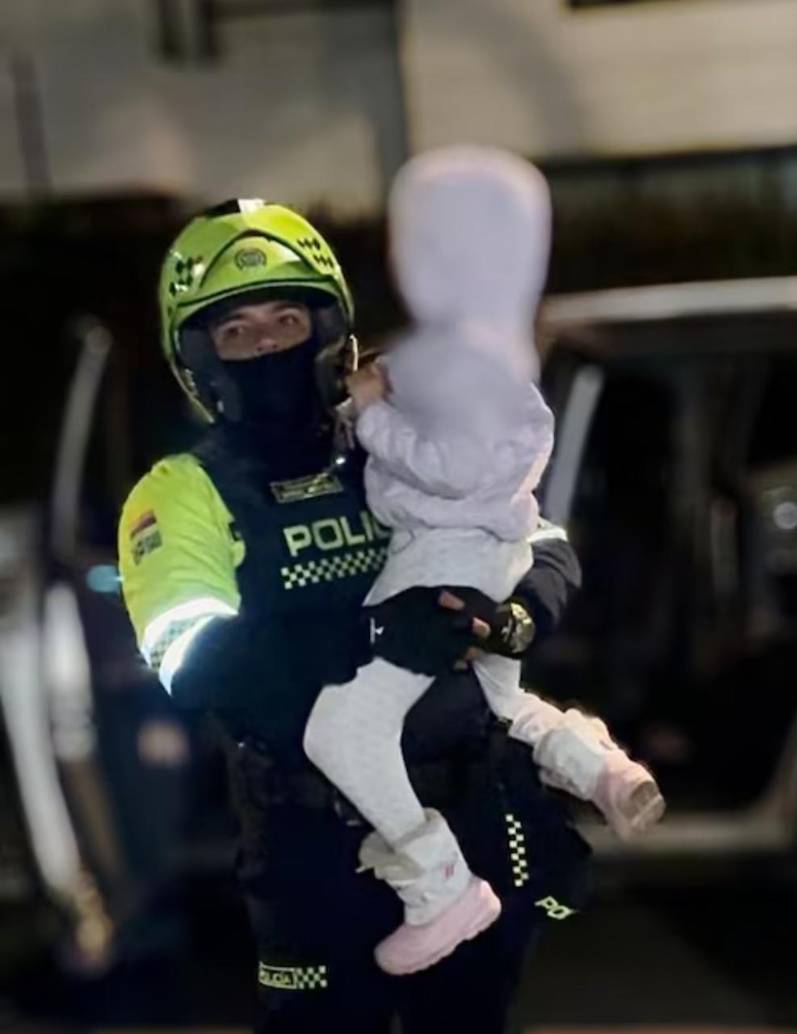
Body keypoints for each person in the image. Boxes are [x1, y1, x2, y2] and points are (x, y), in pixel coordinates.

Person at [117, 198, 590, 1034]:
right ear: (199, 359)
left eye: (288, 317)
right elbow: (193, 659)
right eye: (237, 331)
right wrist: (374, 635)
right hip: (315, 845)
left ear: (331, 328)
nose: (268, 344)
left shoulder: (393, 434)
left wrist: (512, 620)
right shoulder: (179, 492)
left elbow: (540, 539)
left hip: (472, 811)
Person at [302, 147, 665, 976]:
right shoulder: (501, 349)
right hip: (489, 554)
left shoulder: (461, 360)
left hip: (442, 567)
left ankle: (440, 889)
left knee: (342, 730)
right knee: (498, 704)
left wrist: (370, 416)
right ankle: (598, 767)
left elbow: (454, 468)